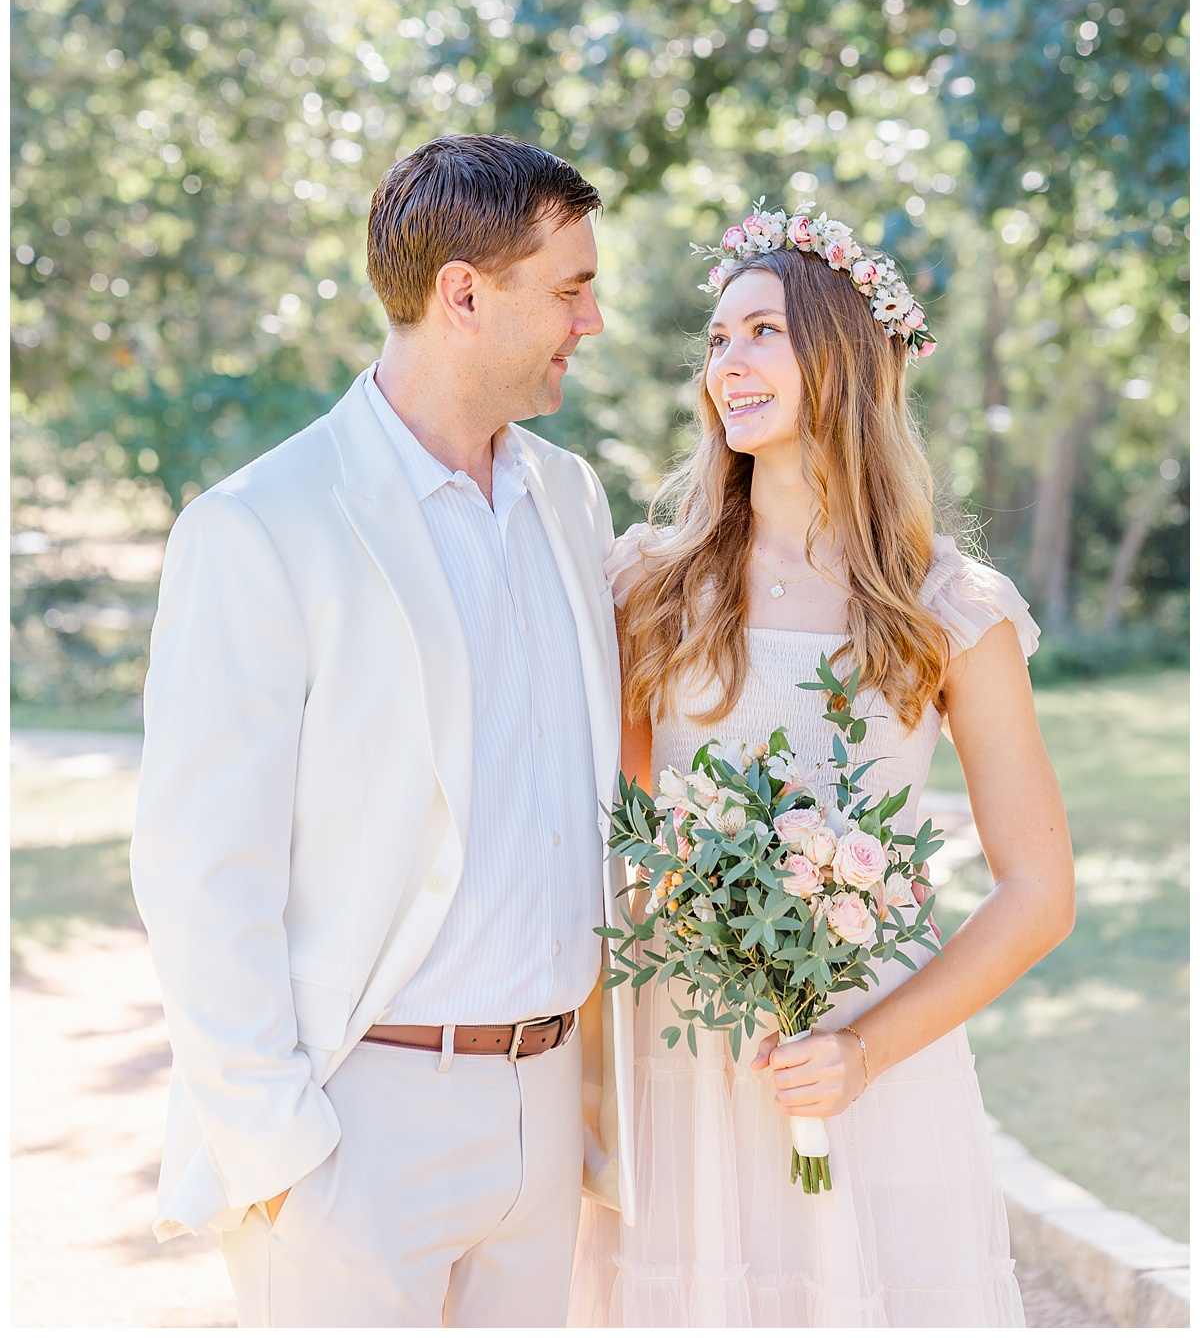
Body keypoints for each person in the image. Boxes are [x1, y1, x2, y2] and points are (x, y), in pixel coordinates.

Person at [130, 133, 635, 1328]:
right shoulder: (258, 525)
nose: (595, 318)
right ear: (464, 292)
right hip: (357, 1124)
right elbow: (202, 869)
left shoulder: (570, 498)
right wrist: (281, 1152)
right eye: (571, 286)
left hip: (548, 1103)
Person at [569, 203, 1075, 1328]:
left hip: (871, 1062)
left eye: (760, 332)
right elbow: (615, 832)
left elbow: (1040, 892)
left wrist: (859, 1050)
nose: (726, 366)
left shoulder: (951, 607)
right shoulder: (649, 584)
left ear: (841, 355)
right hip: (686, 1059)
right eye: (715, 340)